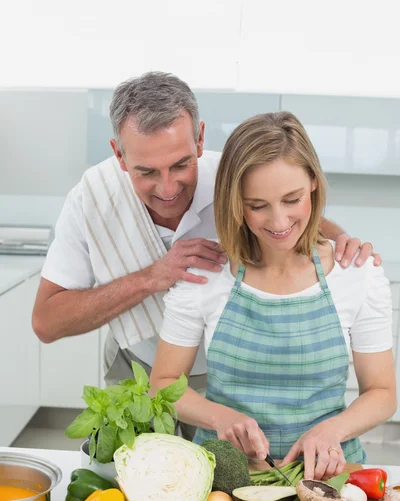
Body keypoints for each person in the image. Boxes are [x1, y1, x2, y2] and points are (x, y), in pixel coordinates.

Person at [32, 72, 379, 442]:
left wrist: (343, 240)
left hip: (227, 378)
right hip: (138, 365)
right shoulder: (92, 200)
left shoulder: (234, 179)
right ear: (119, 153)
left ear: (200, 139)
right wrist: (153, 276)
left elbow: (292, 209)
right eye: (146, 172)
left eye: (181, 165)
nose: (167, 189)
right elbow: (47, 322)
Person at [150, 111, 397, 479]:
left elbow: (381, 392)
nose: (279, 223)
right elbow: (163, 384)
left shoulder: (357, 273)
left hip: (328, 473)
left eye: (292, 199)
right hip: (223, 476)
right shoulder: (206, 274)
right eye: (257, 206)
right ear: (235, 202)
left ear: (313, 183)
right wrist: (221, 417)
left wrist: (332, 430)